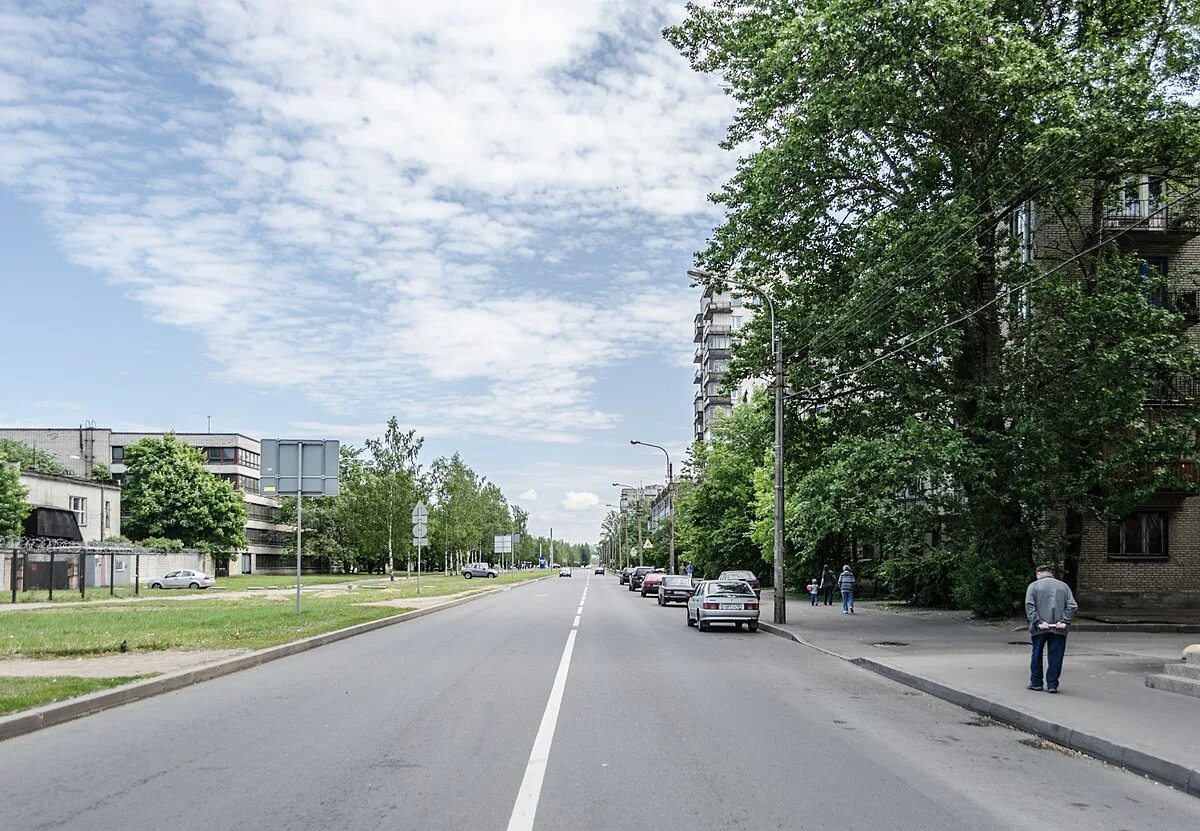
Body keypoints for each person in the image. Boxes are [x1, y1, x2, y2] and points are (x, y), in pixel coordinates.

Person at [1025, 564, 1078, 693]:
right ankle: (1052, 685)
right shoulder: (1063, 586)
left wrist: (1037, 622)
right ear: (1050, 574)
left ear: (1038, 574)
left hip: (1040, 628)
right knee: (1056, 655)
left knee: (1037, 654)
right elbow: (1072, 605)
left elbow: (1030, 606)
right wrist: (1064, 620)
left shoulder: (1034, 586)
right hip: (1059, 628)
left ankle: (1036, 682)